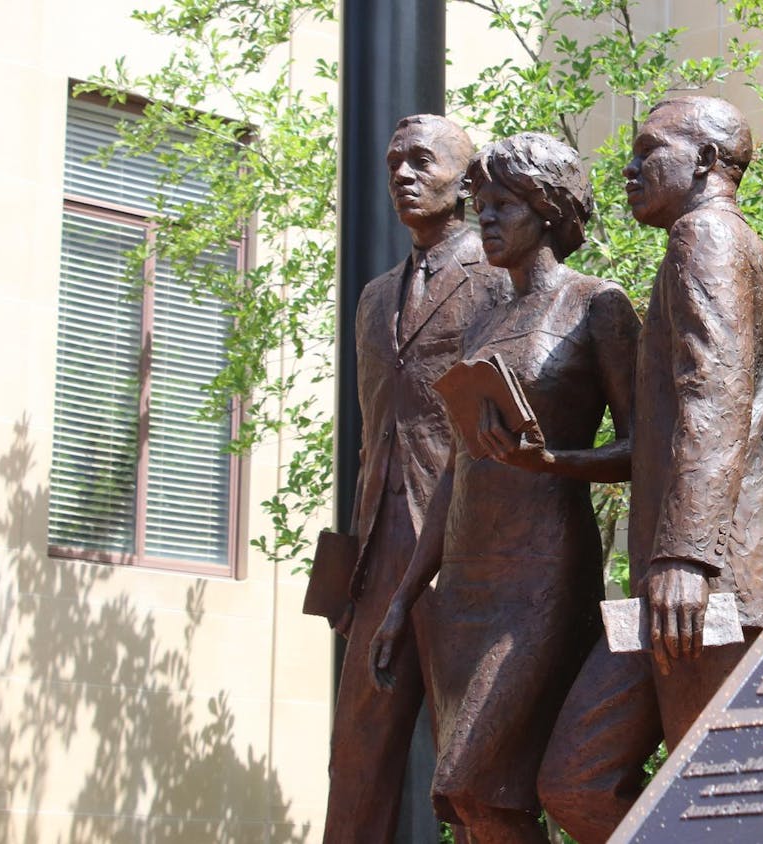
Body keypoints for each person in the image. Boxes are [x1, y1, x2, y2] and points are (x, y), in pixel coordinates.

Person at [537, 95, 763, 843]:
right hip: (674, 587)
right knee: (575, 779)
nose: (628, 167)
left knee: (718, 806)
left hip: (711, 585)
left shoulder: (707, 239)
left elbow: (713, 398)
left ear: (709, 163)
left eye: (649, 149)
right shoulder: (707, 245)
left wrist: (685, 555)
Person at [369, 132, 640, 843]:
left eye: (501, 207)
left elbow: (646, 446)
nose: (483, 220)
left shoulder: (597, 306)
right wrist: (403, 599)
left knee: (470, 773)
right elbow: (459, 465)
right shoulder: (485, 319)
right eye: (480, 205)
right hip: (463, 581)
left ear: (548, 210)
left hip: (541, 575)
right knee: (479, 801)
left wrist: (554, 462)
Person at [324, 114, 510, 844]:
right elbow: (377, 436)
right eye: (394, 161)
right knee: (356, 760)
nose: (402, 174)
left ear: (467, 182)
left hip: (461, 549)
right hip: (378, 554)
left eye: (422, 162)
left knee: (469, 769)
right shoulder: (373, 298)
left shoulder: (498, 280)